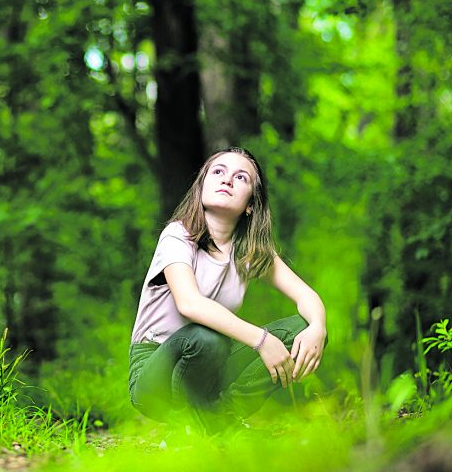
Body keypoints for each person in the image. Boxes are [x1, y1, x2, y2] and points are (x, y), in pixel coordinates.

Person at [129, 147, 327, 424]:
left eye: (241, 177)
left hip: (213, 364)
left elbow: (305, 295)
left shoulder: (249, 251)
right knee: (207, 338)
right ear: (201, 187)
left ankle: (224, 418)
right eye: (218, 171)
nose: (227, 179)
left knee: (302, 329)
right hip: (154, 372)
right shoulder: (178, 236)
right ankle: (191, 421)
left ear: (250, 205)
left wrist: (318, 327)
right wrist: (262, 340)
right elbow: (189, 304)